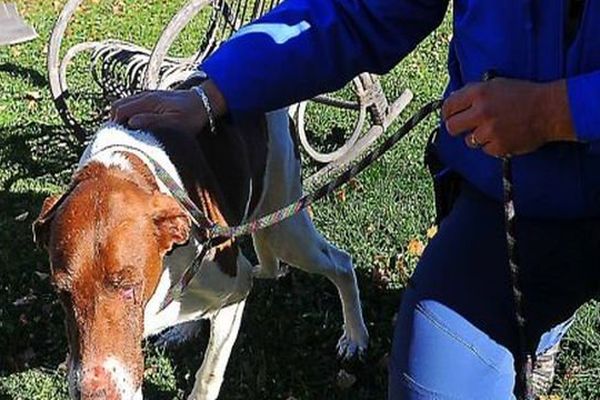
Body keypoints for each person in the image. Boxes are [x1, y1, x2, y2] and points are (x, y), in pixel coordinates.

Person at [111, 0, 600, 398]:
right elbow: (357, 10)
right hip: (505, 199)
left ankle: (544, 317)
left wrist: (557, 112)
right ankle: (544, 315)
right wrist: (216, 90)